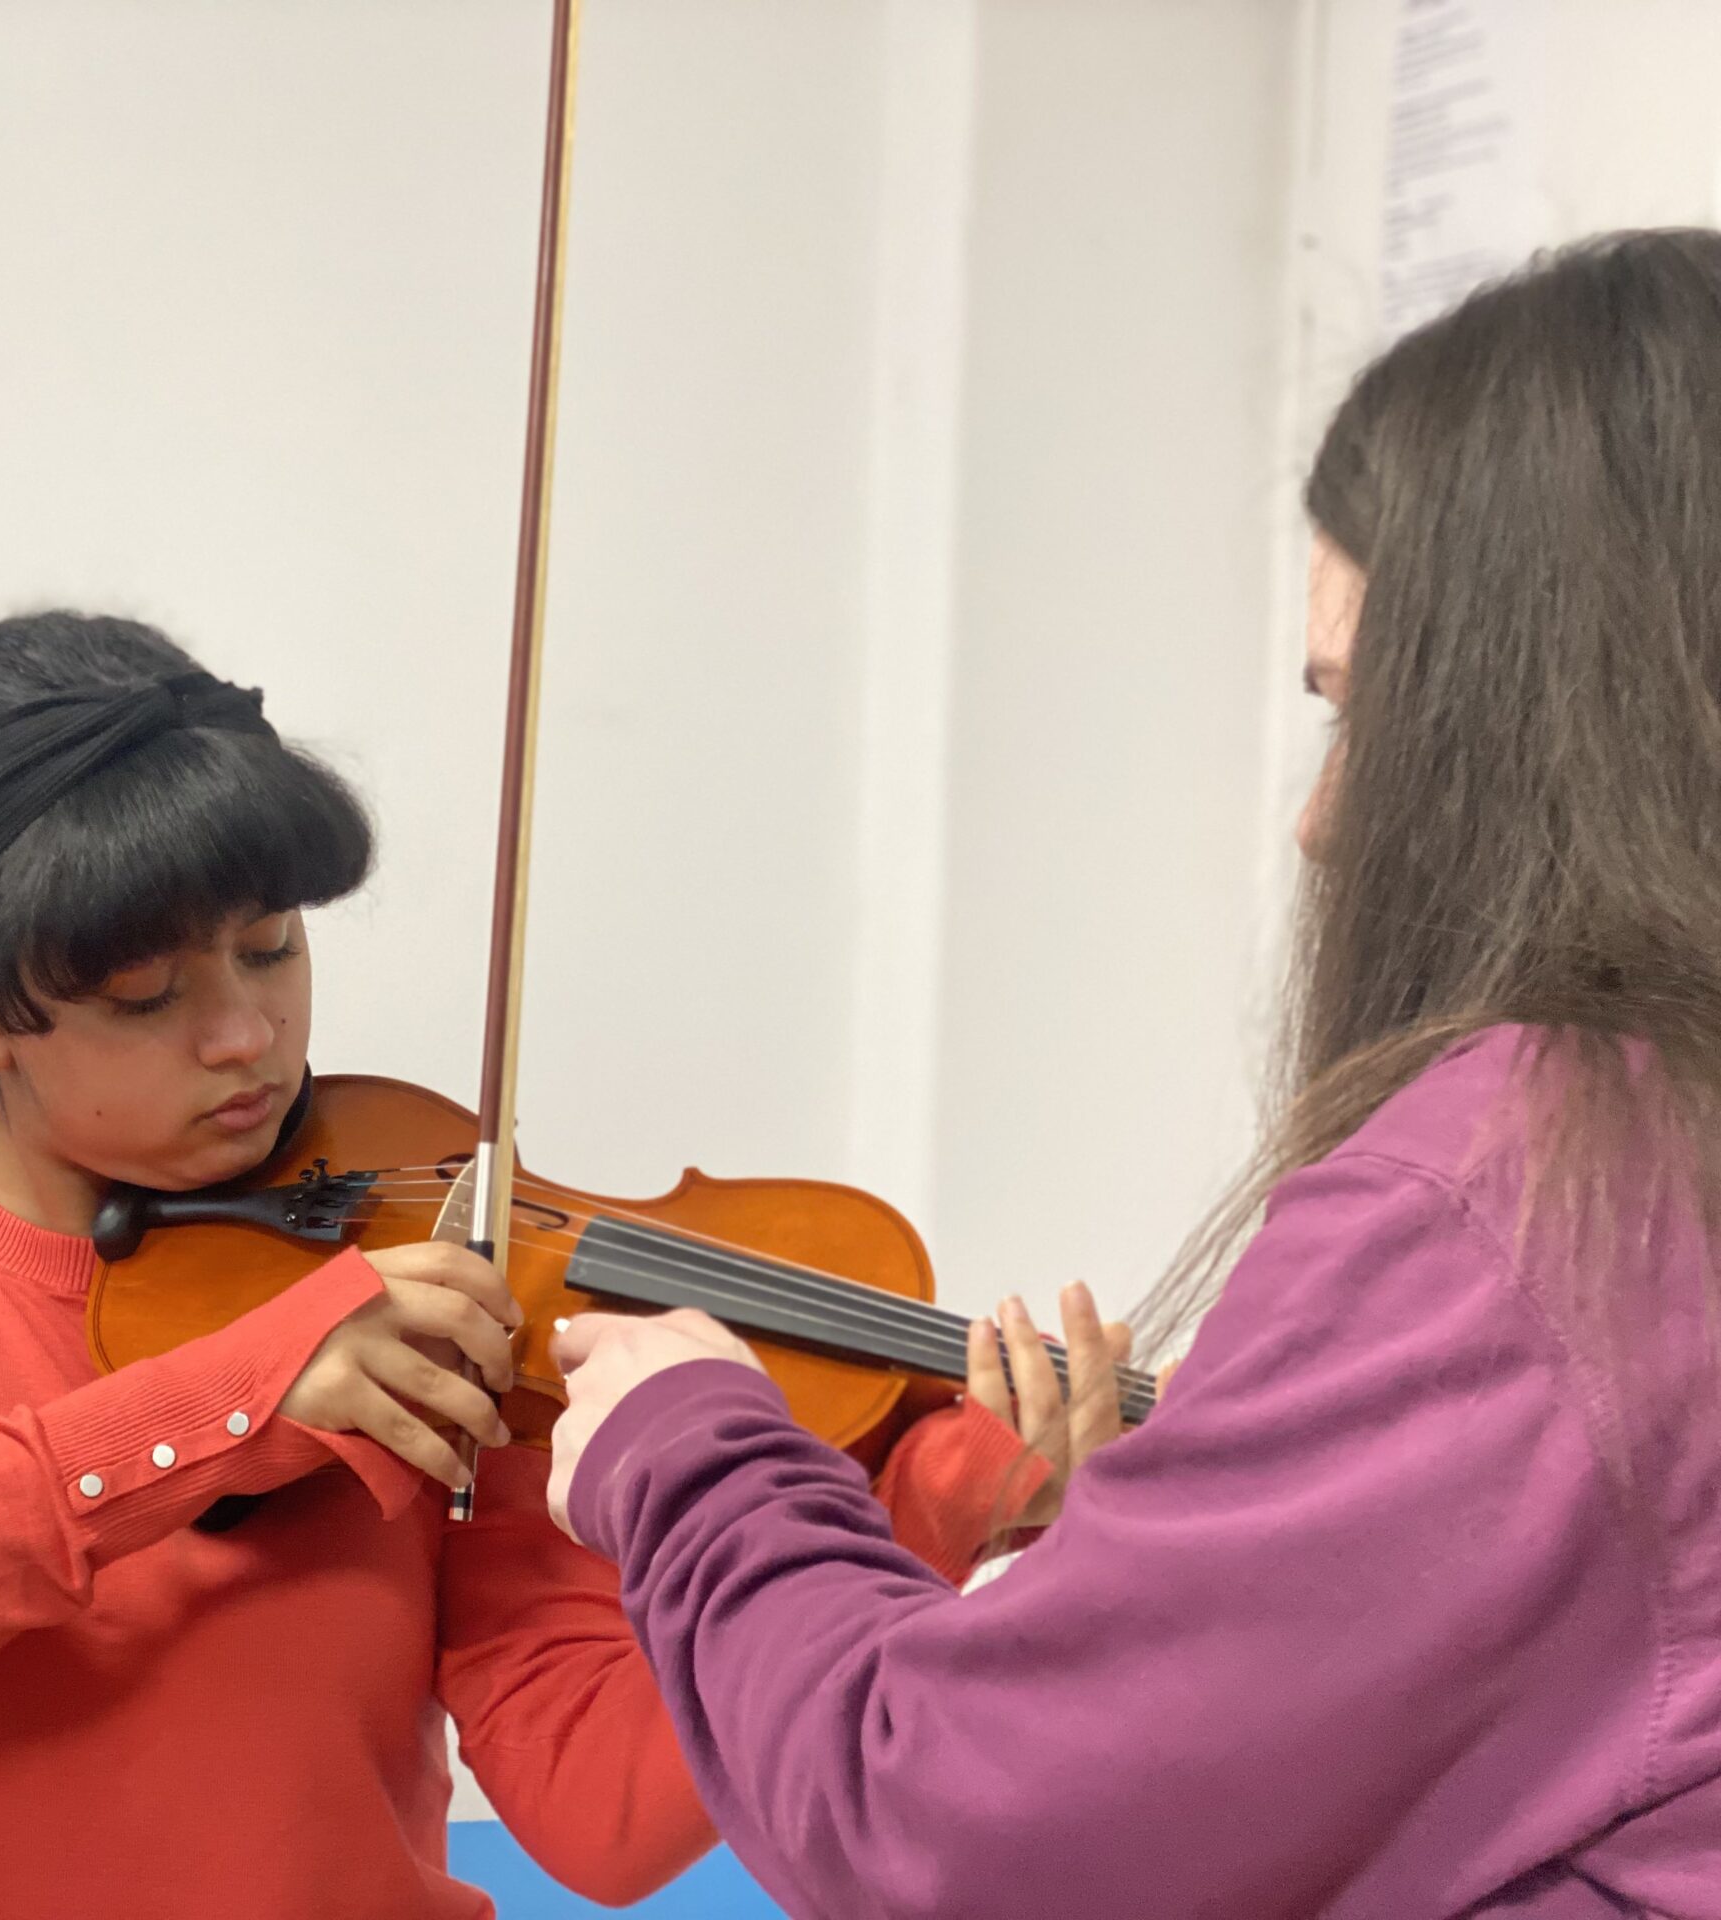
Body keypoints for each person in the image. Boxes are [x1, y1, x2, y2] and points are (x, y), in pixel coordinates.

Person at [547, 227, 1721, 1918]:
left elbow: (950, 1830)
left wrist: (693, 1456)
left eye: (1364, 717)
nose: (1324, 822)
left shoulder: (1539, 1184)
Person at [0, 612, 721, 1920]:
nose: (245, 1033)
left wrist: (873, 1546)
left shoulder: (419, 1302)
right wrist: (230, 1409)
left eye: (272, 948)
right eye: (148, 994)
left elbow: (602, 1810)